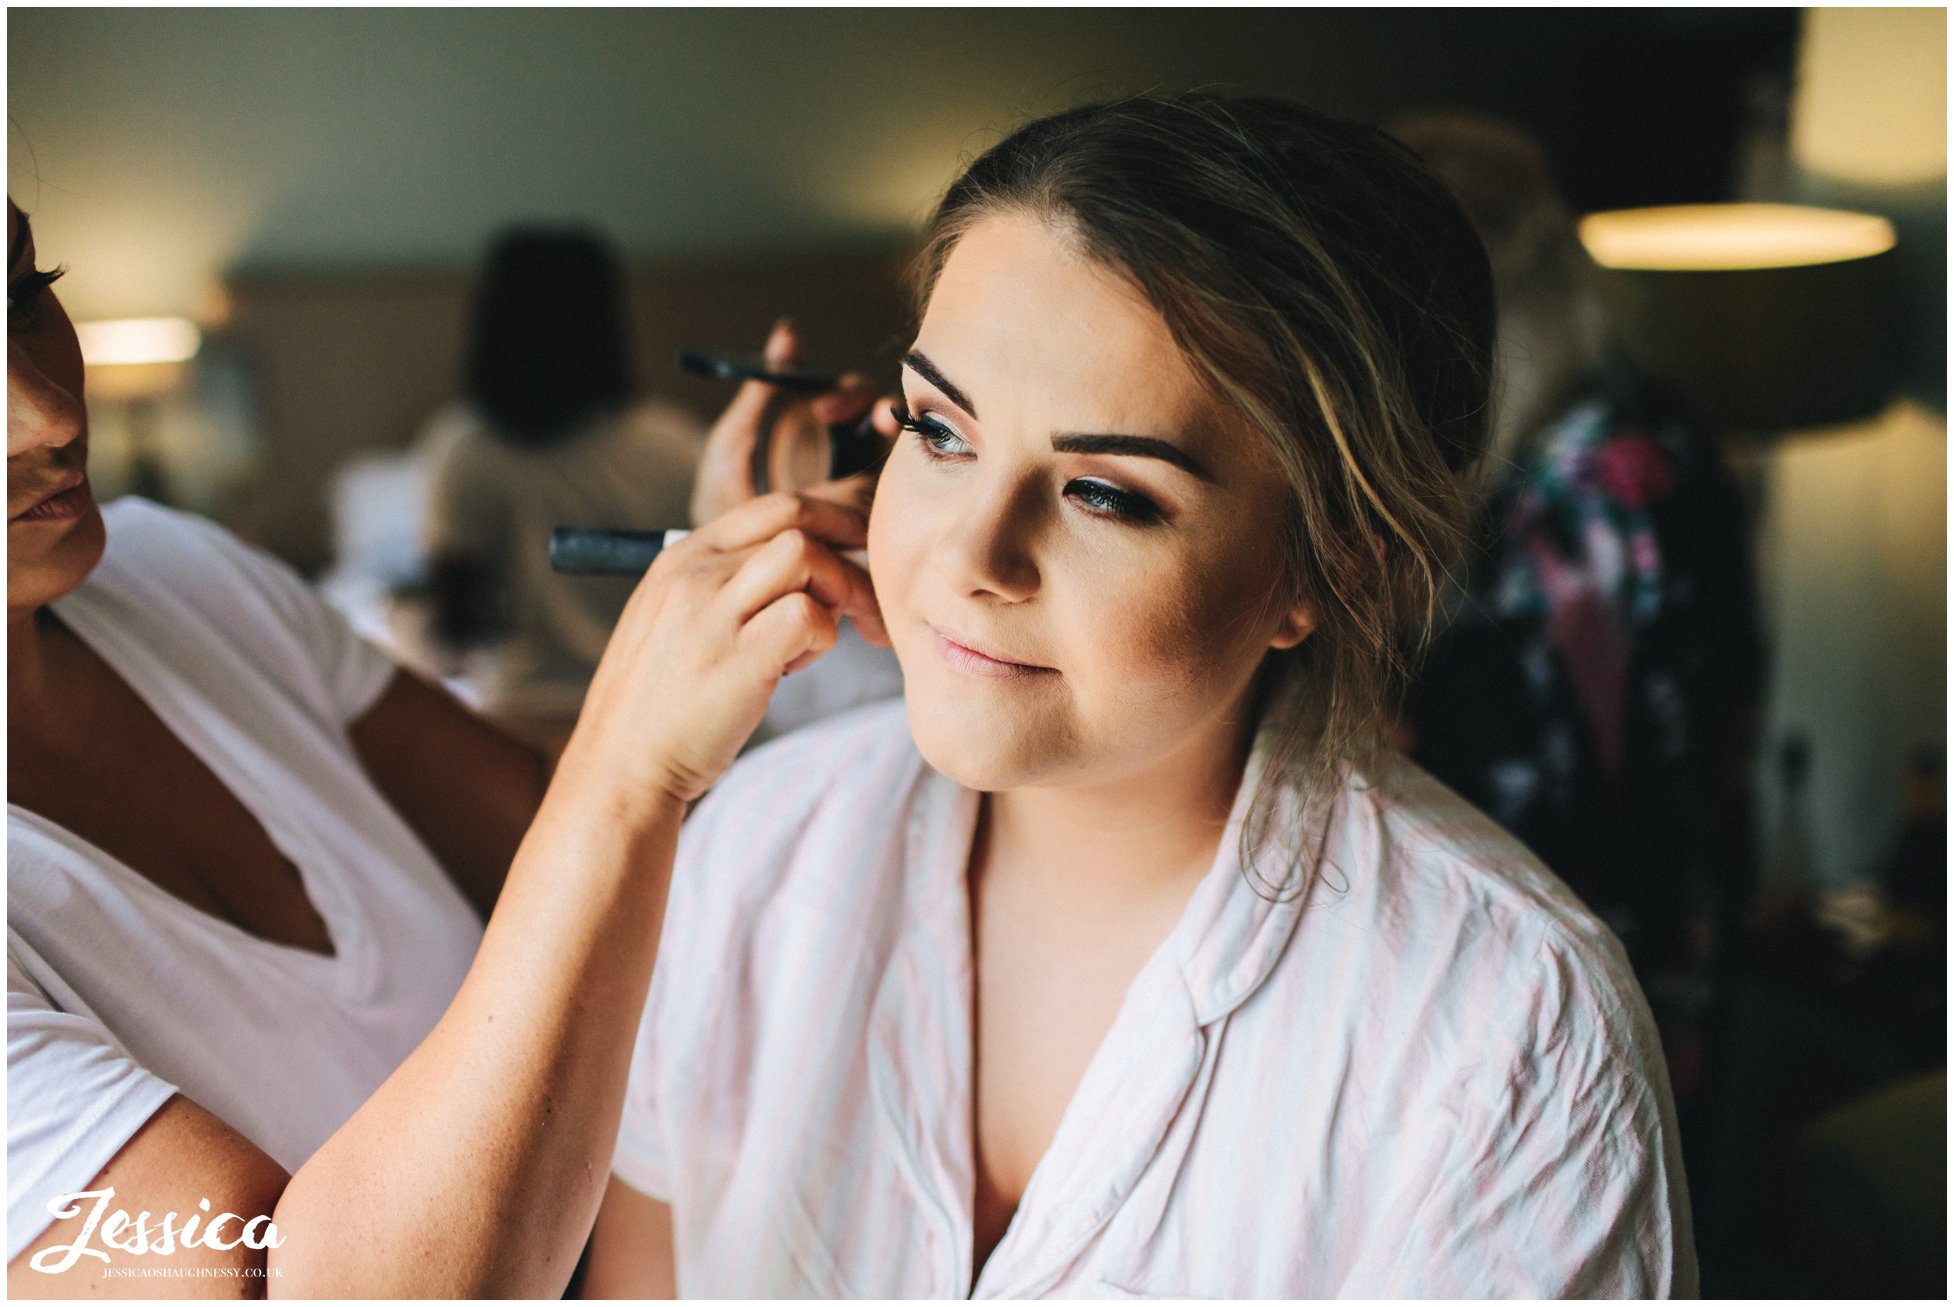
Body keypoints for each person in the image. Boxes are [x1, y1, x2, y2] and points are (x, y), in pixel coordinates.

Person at [582, 94, 1696, 1298]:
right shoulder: (747, 856)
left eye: (1106, 493)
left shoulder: (1508, 1036)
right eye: (940, 431)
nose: (969, 556)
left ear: (1330, 567)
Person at [6, 194, 884, 1295]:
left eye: (23, 291)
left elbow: (594, 876)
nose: (43, 415)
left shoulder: (187, 573)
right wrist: (625, 768)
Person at [1387, 113, 1766, 1107]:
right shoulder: (1590, 427)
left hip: (1589, 930)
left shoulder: (1598, 477)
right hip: (1585, 902)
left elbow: (1571, 775)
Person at [418, 226, 707, 748]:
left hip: (520, 725)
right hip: (654, 714)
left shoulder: (466, 451)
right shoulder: (675, 446)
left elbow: (453, 626)